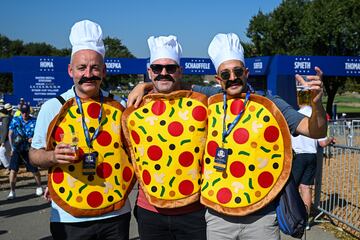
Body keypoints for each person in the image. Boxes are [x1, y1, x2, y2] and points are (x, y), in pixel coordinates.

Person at [128, 33, 327, 240]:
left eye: (237, 71)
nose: (232, 78)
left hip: (262, 215)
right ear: (218, 79)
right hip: (218, 217)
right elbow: (174, 85)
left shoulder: (269, 103)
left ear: (246, 72)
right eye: (225, 74)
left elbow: (316, 131)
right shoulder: (210, 98)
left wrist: (317, 104)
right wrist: (146, 86)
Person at [29, 20, 134, 240]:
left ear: (104, 71)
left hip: (115, 213)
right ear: (70, 71)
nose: (88, 73)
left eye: (95, 67)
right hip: (69, 217)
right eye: (81, 67)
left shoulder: (118, 107)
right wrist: (51, 156)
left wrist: (146, 85)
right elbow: (34, 154)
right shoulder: (53, 107)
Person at [123, 35, 207, 240]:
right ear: (149, 71)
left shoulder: (202, 103)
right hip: (150, 212)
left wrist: (144, 86)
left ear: (180, 71)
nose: (164, 73)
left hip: (194, 212)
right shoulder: (135, 110)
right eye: (157, 68)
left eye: (170, 68)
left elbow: (228, 92)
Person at [291, 104, 335, 230]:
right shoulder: (317, 118)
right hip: (312, 156)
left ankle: (292, 216)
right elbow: (322, 142)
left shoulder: (295, 115)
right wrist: (330, 139)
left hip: (298, 156)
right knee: (306, 188)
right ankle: (305, 222)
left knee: (292, 188)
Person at [7, 103, 42, 200]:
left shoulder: (34, 121)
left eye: (26, 112)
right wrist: (11, 147)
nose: (24, 114)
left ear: (29, 112)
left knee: (34, 170)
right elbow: (10, 134)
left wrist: (33, 139)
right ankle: (12, 191)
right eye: (22, 112)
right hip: (17, 148)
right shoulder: (16, 120)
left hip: (29, 149)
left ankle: (39, 186)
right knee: (13, 170)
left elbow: (39, 134)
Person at [0, 103, 13, 170]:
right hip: (9, 139)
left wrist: (2, 141)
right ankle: (10, 167)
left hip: (6, 139)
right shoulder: (10, 117)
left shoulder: (6, 118)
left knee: (1, 153)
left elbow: (5, 130)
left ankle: (8, 167)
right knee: (7, 154)